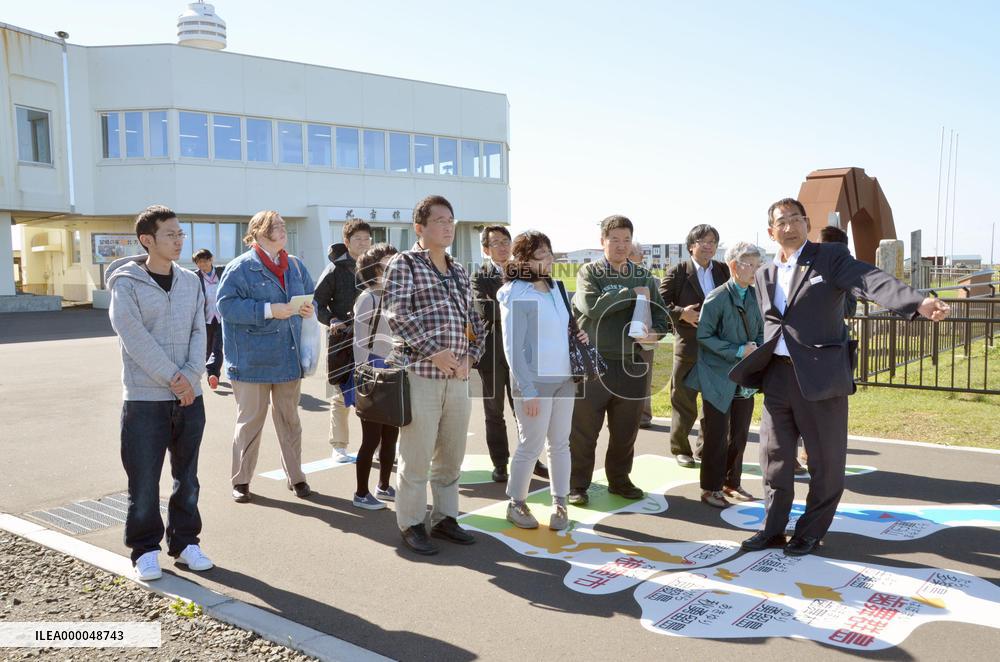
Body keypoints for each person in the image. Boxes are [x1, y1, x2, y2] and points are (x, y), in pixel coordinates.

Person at [731, 198, 951, 556]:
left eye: (796, 219)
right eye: (781, 222)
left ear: (806, 223)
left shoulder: (828, 258)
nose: (789, 226)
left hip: (821, 377)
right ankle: (772, 529)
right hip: (778, 379)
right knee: (774, 459)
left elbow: (869, 280)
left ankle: (810, 531)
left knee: (825, 461)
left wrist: (917, 303)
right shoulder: (764, 274)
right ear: (771, 232)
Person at [107, 205, 213, 581]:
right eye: (171, 234)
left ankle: (185, 543)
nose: (179, 240)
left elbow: (200, 331)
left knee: (187, 477)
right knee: (144, 479)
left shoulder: (190, 280)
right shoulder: (126, 283)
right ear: (147, 240)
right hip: (145, 399)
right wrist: (174, 377)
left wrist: (190, 376)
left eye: (181, 233)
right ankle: (145, 549)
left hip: (190, 397)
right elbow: (133, 336)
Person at [382, 195, 487, 555]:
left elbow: (475, 322)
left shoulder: (458, 269)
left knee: (452, 454)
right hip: (422, 374)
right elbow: (396, 314)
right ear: (420, 228)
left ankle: (445, 518)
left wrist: (471, 356)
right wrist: (434, 351)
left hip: (458, 378)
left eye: (451, 220)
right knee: (416, 455)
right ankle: (411, 523)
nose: (447, 226)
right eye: (439, 220)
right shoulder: (404, 264)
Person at [568, 215, 669, 506]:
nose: (621, 245)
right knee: (584, 432)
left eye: (626, 239)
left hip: (632, 364)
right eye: (614, 239)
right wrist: (629, 294)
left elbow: (662, 315)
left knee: (626, 431)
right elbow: (591, 308)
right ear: (602, 242)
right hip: (594, 365)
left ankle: (620, 480)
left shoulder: (644, 276)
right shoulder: (591, 272)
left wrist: (655, 333)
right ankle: (577, 485)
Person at [217, 210, 317, 504]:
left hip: (288, 357)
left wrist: (310, 308)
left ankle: (296, 476)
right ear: (258, 232)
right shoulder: (240, 268)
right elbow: (225, 307)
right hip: (251, 361)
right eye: (275, 226)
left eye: (284, 225)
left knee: (290, 420)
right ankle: (241, 481)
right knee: (249, 423)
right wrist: (268, 310)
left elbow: (312, 296)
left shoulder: (295, 266)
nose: (283, 229)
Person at [497, 231, 588, 530]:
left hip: (564, 377)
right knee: (531, 444)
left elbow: (560, 328)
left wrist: (577, 335)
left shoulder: (557, 288)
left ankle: (560, 503)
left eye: (550, 253)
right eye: (541, 256)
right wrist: (529, 389)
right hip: (533, 382)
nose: (549, 260)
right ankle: (516, 503)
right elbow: (513, 348)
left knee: (561, 443)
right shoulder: (517, 294)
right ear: (522, 260)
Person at [684, 241, 764, 508]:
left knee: (740, 434)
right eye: (749, 264)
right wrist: (739, 350)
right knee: (717, 434)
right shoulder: (717, 297)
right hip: (718, 376)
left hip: (744, 377)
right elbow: (704, 336)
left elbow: (761, 331)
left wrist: (759, 350)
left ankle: (732, 482)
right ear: (733, 266)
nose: (754, 270)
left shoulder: (755, 295)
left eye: (757, 264)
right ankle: (710, 488)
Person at [472, 225, 548, 482]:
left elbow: (537, 307)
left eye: (506, 241)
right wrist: (518, 308)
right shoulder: (479, 276)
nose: (503, 247)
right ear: (486, 249)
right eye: (496, 243)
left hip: (523, 354)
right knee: (494, 412)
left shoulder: (523, 273)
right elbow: (487, 311)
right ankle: (500, 463)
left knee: (525, 410)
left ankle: (532, 458)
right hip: (491, 354)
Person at [659, 225, 730, 467]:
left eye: (713, 241)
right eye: (703, 241)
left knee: (714, 403)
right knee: (683, 401)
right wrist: (681, 314)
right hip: (688, 347)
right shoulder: (678, 271)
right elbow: (658, 304)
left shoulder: (723, 270)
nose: (709, 246)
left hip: (717, 349)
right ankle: (681, 449)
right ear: (692, 245)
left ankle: (705, 448)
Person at [795, 225, 858, 473]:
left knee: (826, 404)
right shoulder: (801, 266)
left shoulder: (844, 272)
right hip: (802, 348)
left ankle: (813, 454)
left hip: (832, 348)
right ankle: (798, 454)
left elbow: (850, 309)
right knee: (795, 404)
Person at [314, 219, 372, 464]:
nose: (364, 243)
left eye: (367, 238)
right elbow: (318, 303)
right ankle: (338, 445)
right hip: (342, 339)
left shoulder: (375, 266)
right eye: (358, 239)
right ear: (347, 242)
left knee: (373, 392)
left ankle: (375, 445)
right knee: (340, 393)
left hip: (372, 338)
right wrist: (333, 320)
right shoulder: (335, 270)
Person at [351, 243, 400, 510]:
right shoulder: (368, 297)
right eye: (387, 263)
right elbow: (359, 342)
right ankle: (360, 492)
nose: (394, 267)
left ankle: (383, 485)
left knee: (391, 433)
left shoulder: (396, 294)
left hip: (393, 368)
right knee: (371, 437)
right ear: (374, 269)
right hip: (371, 370)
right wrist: (363, 377)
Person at [629, 241, 658, 429]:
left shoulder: (652, 280)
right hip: (620, 338)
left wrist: (655, 333)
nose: (630, 255)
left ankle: (644, 416)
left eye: (634, 253)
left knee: (644, 380)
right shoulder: (613, 278)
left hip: (645, 339)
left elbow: (659, 310)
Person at [192, 248, 225, 391]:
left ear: (211, 260)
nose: (202, 265)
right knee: (207, 348)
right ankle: (211, 374)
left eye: (204, 261)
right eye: (198, 262)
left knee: (217, 347)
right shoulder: (194, 277)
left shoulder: (222, 272)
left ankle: (213, 373)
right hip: (204, 318)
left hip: (222, 316)